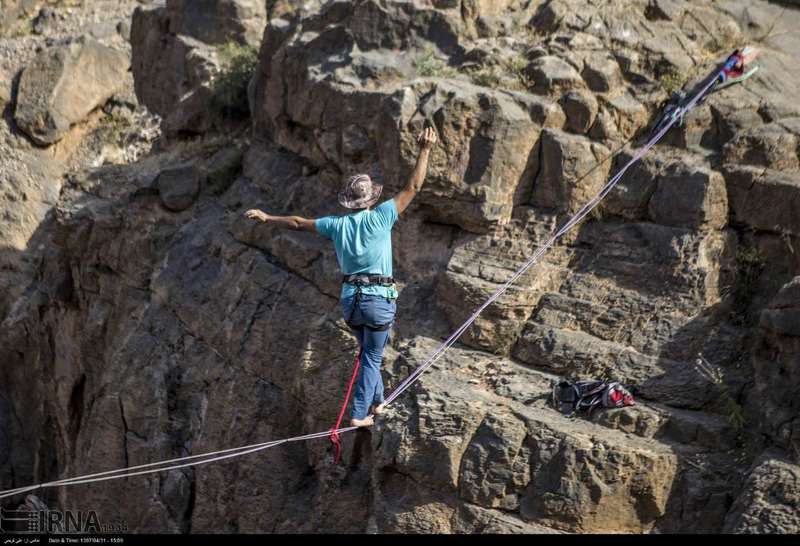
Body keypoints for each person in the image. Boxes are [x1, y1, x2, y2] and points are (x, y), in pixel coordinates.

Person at [245, 127, 439, 427]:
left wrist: (267, 217)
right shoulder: (382, 216)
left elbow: (297, 223)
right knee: (373, 356)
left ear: (349, 202)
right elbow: (413, 186)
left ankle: (377, 403)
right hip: (377, 301)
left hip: (351, 302)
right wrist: (425, 150)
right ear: (370, 199)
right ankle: (359, 415)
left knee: (367, 353)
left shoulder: (336, 225)